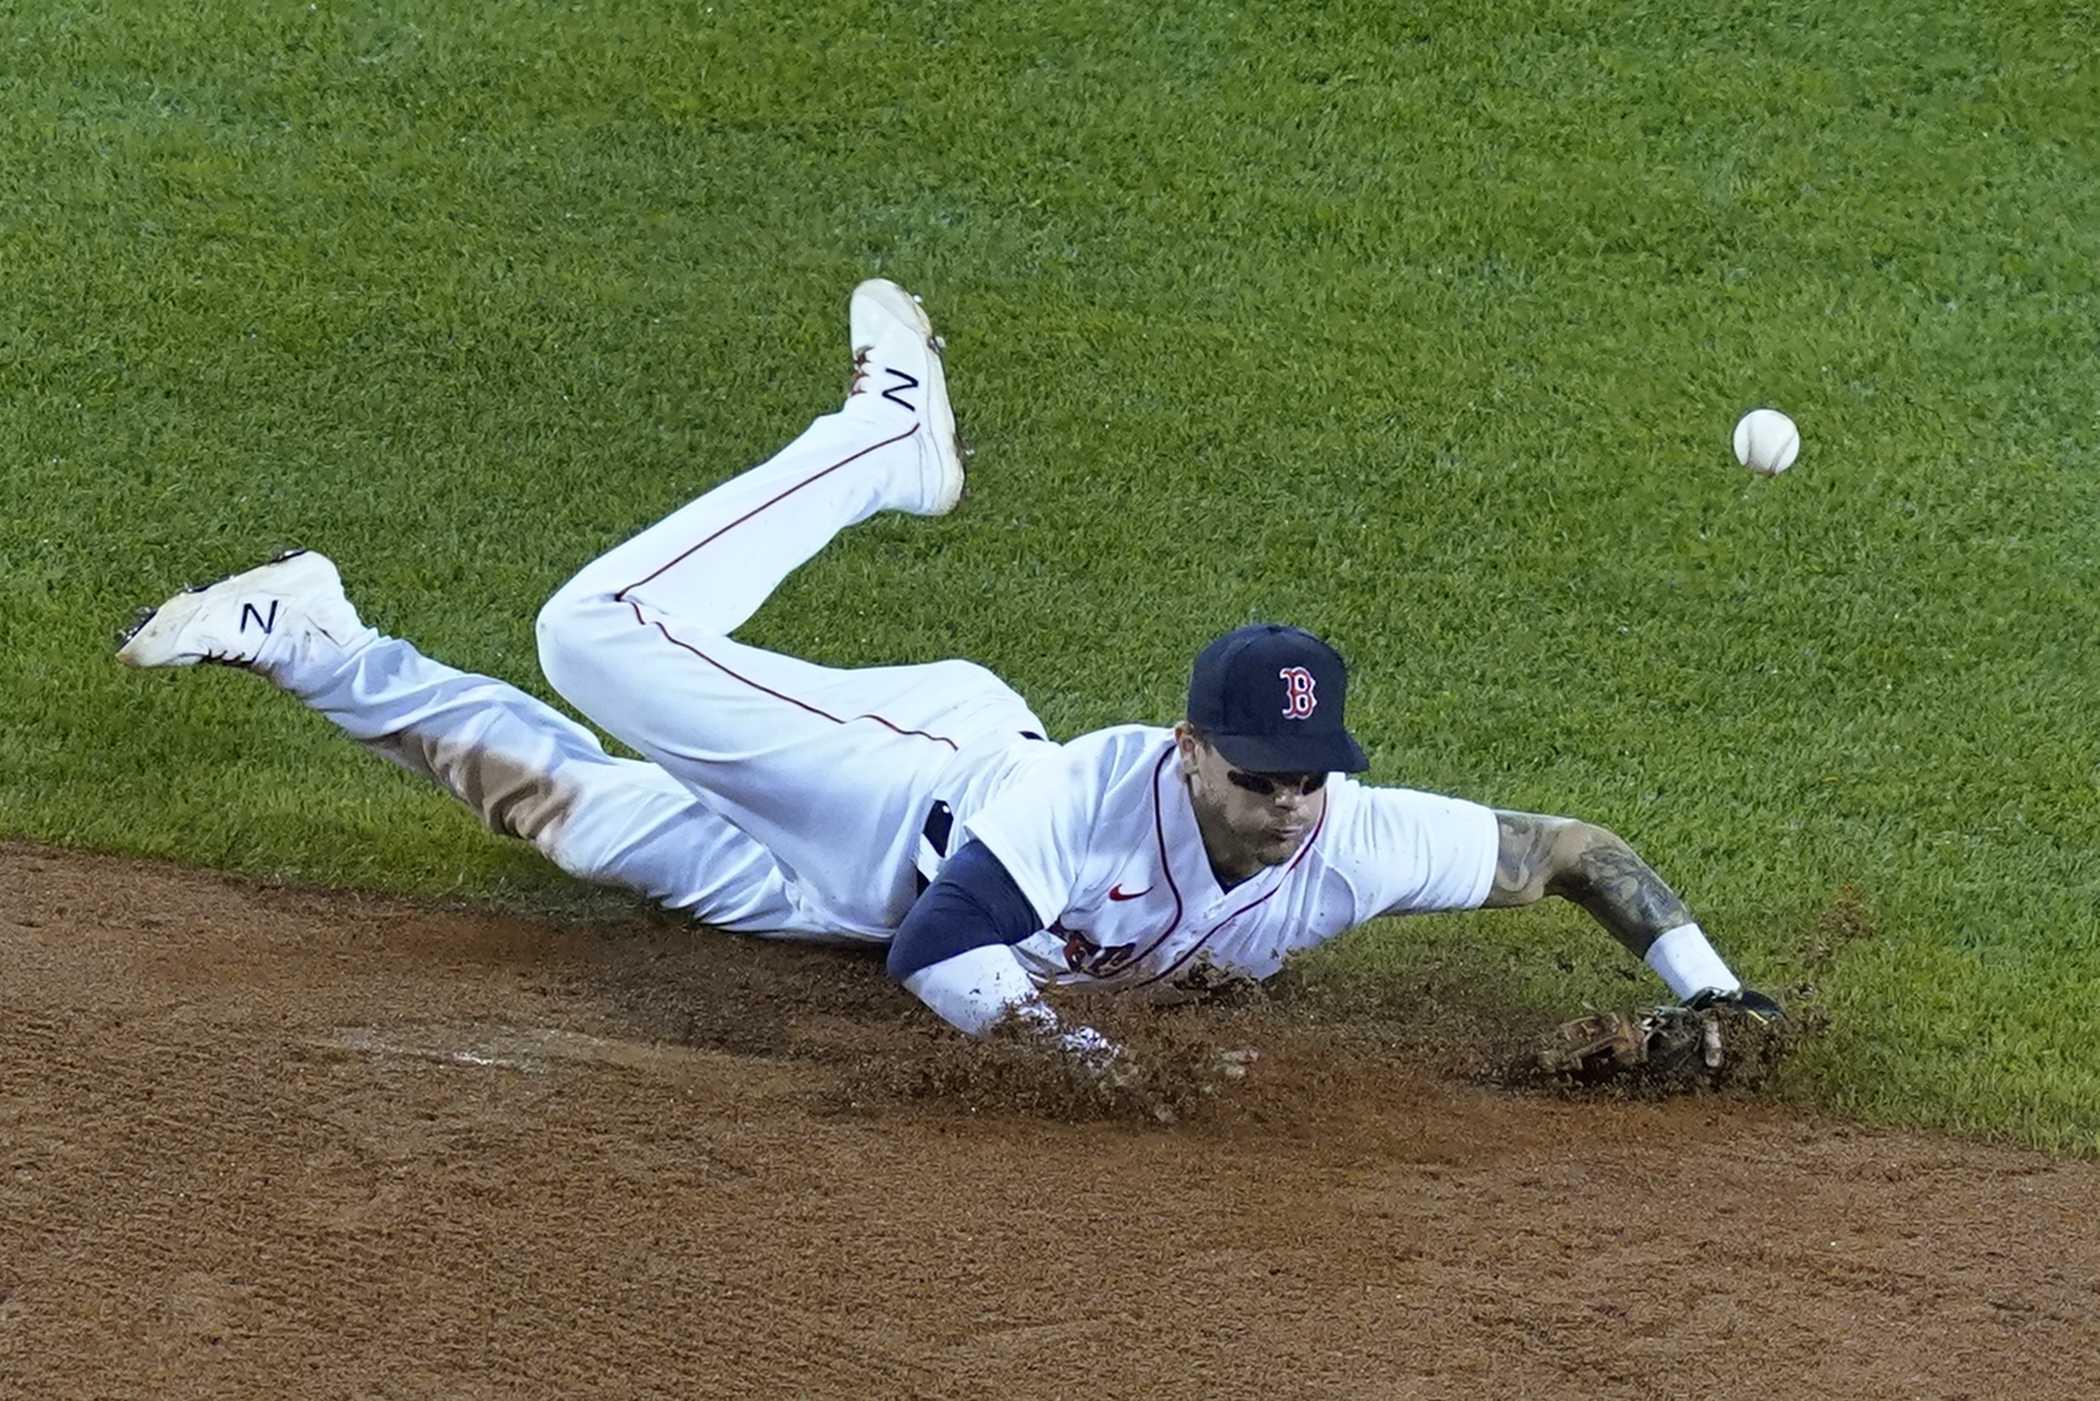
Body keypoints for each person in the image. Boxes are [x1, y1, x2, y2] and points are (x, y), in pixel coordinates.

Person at [117, 279, 1779, 1061]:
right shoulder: (1085, 795)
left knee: (563, 810)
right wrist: (1102, 1069)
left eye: (1313, 776)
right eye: (1266, 778)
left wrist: (1709, 987)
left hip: (833, 899)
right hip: (901, 780)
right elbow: (941, 948)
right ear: (1190, 751)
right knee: (594, 636)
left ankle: (323, 642)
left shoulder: (1357, 833)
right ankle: (889, 433)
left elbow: (1575, 852)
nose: (1294, 806)